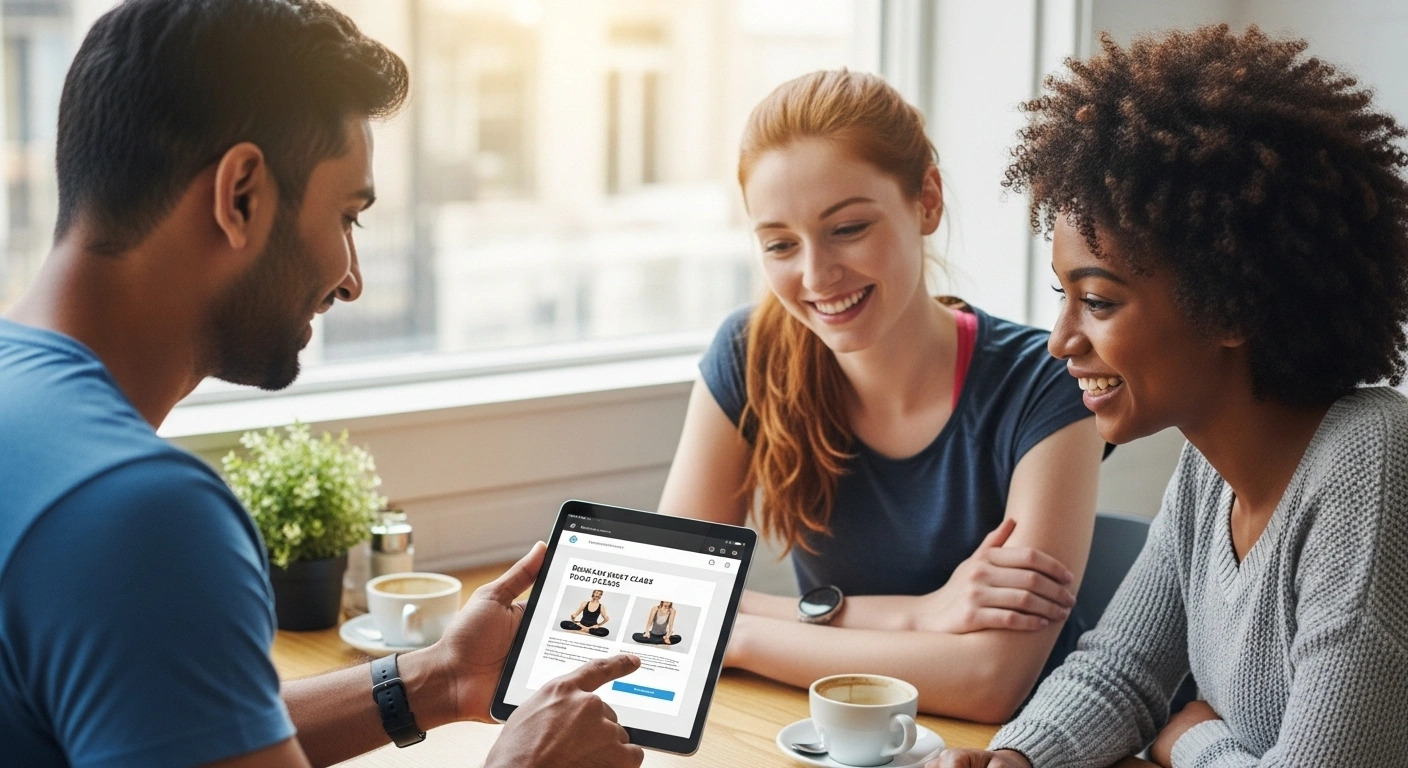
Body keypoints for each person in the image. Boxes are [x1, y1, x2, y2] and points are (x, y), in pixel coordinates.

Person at [0, 2, 642, 767]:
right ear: (240, 195)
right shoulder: (138, 515)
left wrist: (437, 680)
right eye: (348, 215)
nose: (352, 278)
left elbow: (173, 728)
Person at [936, 25, 1408, 768]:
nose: (1060, 340)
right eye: (1064, 295)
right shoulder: (1205, 473)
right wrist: (1017, 758)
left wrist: (1195, 740)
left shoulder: (1369, 463)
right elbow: (1122, 672)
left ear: (1228, 306)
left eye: (1097, 301)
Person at [658, 69, 1106, 721]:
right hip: (838, 736)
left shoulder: (1044, 383)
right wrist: (916, 616)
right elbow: (667, 591)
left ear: (927, 200)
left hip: (1020, 748)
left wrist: (740, 632)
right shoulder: (750, 354)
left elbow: (990, 680)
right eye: (780, 243)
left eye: (847, 229)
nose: (816, 274)